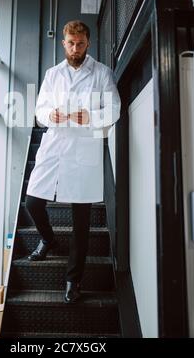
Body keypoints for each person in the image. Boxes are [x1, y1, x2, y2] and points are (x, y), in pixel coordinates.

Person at [25, 20, 121, 304]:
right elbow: (40, 109)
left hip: (84, 147)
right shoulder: (52, 74)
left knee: (81, 219)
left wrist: (92, 117)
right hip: (54, 144)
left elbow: (114, 109)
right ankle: (49, 239)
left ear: (87, 43)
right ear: (63, 43)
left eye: (80, 43)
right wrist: (49, 115)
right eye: (70, 43)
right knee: (32, 201)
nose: (75, 48)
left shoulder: (102, 73)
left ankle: (73, 280)